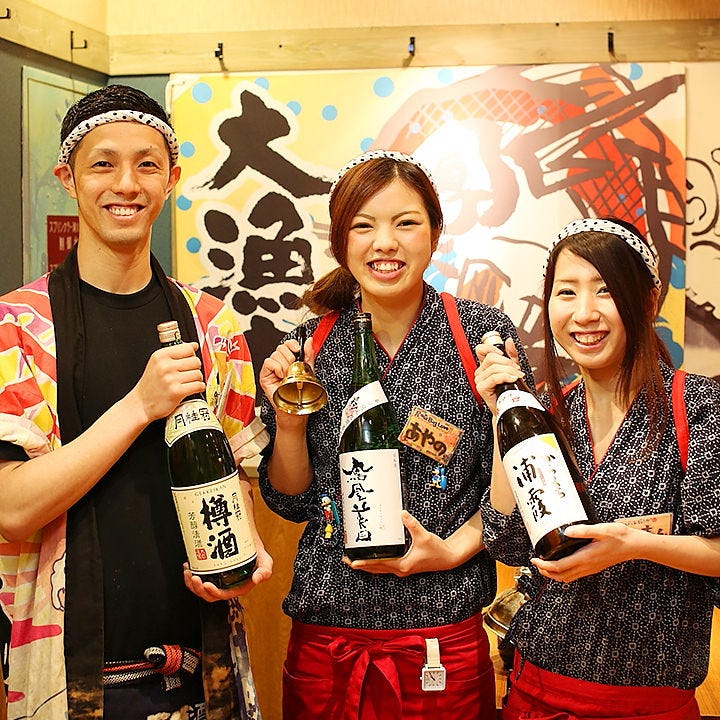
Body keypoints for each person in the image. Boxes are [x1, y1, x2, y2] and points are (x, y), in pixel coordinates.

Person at [0, 85, 272, 720]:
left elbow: (238, 477)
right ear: (67, 179)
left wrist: (250, 545)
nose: (126, 183)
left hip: (204, 668)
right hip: (66, 676)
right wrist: (139, 405)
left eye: (147, 164)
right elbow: (12, 508)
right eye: (103, 164)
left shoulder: (213, 325)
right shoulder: (17, 327)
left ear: (171, 179)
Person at [257, 149, 533, 719]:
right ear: (340, 242)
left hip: (442, 636)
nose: (385, 243)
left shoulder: (481, 336)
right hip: (327, 637)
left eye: (405, 223)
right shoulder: (309, 345)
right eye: (364, 226)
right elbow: (291, 499)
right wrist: (288, 423)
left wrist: (449, 552)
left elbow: (516, 486)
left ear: (435, 234)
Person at [475, 217, 720, 719]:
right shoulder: (548, 412)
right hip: (533, 693)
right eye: (566, 292)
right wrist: (502, 414)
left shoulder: (698, 408)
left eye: (605, 290)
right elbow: (508, 543)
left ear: (648, 300)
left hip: (646, 705)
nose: (584, 313)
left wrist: (634, 545)